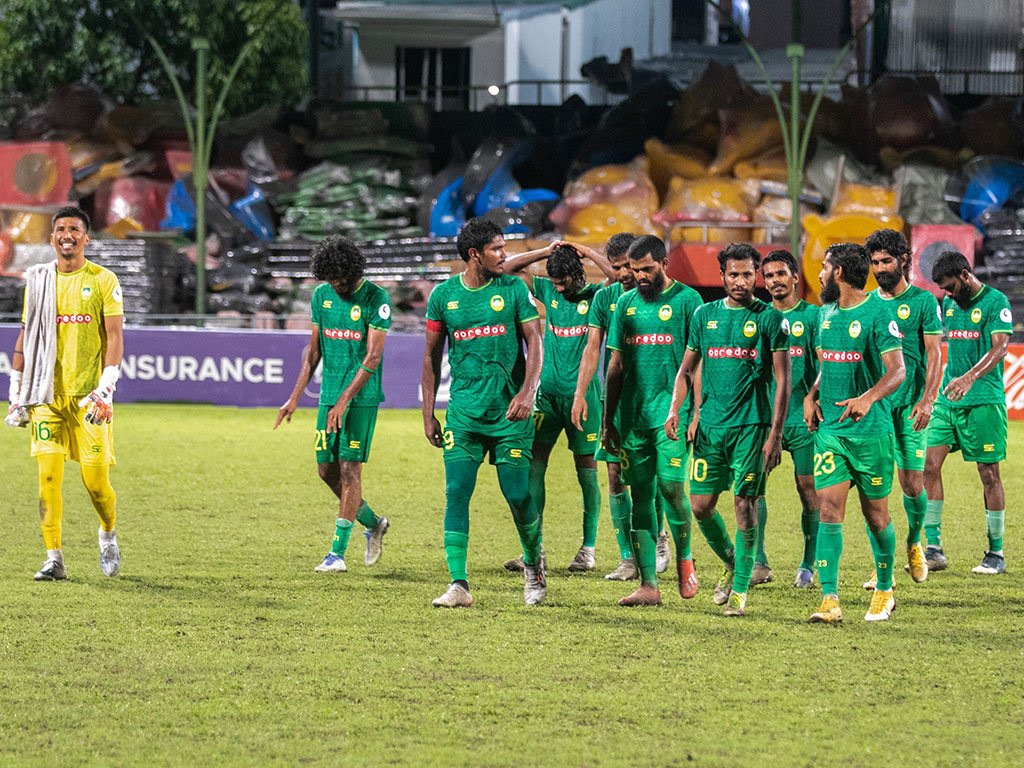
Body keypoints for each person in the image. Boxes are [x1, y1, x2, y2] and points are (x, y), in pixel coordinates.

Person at [422, 218, 546, 607]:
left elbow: (535, 344)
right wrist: (428, 413)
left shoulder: (513, 289)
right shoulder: (443, 297)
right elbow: (429, 357)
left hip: (510, 414)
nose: (504, 255)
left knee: (518, 493)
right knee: (456, 491)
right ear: (474, 254)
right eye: (497, 249)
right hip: (464, 413)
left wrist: (528, 392)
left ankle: (533, 563)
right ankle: (459, 584)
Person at [666, 243, 790, 617]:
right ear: (721, 276)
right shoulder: (704, 316)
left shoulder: (771, 319)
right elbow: (687, 369)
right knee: (700, 506)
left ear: (757, 275)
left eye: (748, 274)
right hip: (710, 428)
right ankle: (736, 562)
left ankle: (739, 593)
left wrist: (775, 434)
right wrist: (678, 409)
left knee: (744, 506)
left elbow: (783, 381)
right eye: (733, 274)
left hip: (751, 428)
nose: (741, 281)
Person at [5, 206, 124, 580]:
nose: (66, 234)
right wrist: (16, 389)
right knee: (48, 479)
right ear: (52, 237)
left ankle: (107, 533)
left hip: (90, 398)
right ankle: (53, 558)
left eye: (74, 228)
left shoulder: (103, 280)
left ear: (86, 238)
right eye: (60, 229)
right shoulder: (38, 281)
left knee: (96, 484)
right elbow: (25, 336)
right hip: (46, 397)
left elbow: (116, 337)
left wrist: (106, 388)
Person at [275, 235, 391, 572]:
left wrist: (344, 401)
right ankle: (372, 522)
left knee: (349, 469)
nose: (336, 285)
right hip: (329, 398)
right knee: (325, 471)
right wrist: (294, 397)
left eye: (341, 279)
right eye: (331, 279)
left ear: (353, 271)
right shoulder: (322, 296)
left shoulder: (376, 298)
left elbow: (373, 356)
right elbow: (313, 353)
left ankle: (336, 554)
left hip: (361, 399)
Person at [804, 243, 906, 623]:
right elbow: (826, 364)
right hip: (830, 430)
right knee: (828, 509)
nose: (819, 274)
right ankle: (830, 599)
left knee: (876, 515)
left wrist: (867, 397)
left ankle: (884, 589)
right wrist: (812, 394)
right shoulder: (824, 314)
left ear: (840, 274)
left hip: (871, 432)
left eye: (824, 267)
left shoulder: (879, 313)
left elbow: (897, 371)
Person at [501, 241, 615, 572]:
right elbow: (507, 268)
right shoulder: (549, 292)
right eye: (554, 280)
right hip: (546, 396)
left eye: (564, 280)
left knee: (587, 471)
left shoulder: (597, 296)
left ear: (578, 274)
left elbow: (618, 280)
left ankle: (588, 549)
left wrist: (587, 251)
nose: (558, 286)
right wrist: (545, 252)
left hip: (585, 397)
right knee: (534, 464)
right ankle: (533, 549)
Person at [602, 235, 703, 606]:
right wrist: (607, 420)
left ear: (664, 264)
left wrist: (697, 412)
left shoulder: (689, 301)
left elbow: (697, 364)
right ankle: (648, 585)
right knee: (641, 497)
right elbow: (614, 365)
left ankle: (684, 558)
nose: (640, 275)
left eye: (647, 268)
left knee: (673, 490)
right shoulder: (625, 305)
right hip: (632, 418)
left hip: (673, 416)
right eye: (634, 269)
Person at [923, 250, 1012, 575]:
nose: (946, 294)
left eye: (949, 286)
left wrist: (970, 376)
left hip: (984, 401)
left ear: (964, 275)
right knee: (928, 465)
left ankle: (996, 553)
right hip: (948, 400)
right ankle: (933, 549)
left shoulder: (996, 302)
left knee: (989, 475)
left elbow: (1000, 347)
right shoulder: (949, 304)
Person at [862, 228, 941, 588]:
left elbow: (934, 353)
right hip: (875, 409)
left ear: (904, 260)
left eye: (886, 261)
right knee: (873, 490)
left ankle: (913, 543)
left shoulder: (924, 302)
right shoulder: (866, 304)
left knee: (912, 482)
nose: (879, 269)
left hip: (910, 407)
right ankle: (882, 568)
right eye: (875, 262)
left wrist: (927, 399)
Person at [756, 249, 821, 589]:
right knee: (752, 490)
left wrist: (814, 397)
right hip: (764, 421)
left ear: (796, 277)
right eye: (768, 276)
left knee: (808, 488)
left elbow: (824, 364)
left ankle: (808, 564)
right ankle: (759, 562)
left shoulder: (813, 317)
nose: (775, 281)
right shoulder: (759, 317)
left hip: (805, 421)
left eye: (781, 273)